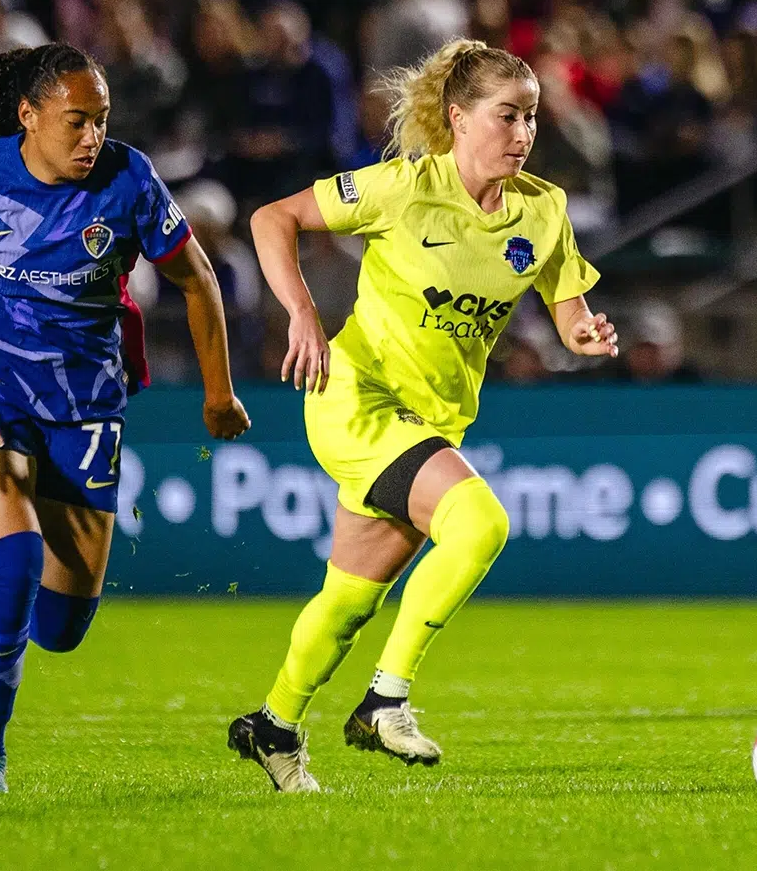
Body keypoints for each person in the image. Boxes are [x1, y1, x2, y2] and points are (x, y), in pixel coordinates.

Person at [228, 39, 618, 793]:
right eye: (506, 115)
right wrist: (302, 315)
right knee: (481, 522)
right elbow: (272, 218)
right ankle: (386, 699)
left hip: (430, 422)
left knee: (346, 601)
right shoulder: (403, 187)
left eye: (531, 117)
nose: (522, 132)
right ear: (458, 117)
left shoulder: (542, 210)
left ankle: (272, 725)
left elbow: (570, 313)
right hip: (356, 399)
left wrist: (583, 334)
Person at [0, 43, 249, 793]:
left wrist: (218, 393)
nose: (93, 137)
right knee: (16, 561)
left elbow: (198, 279)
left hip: (86, 408)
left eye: (102, 120)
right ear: (28, 115)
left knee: (58, 628)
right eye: (76, 121)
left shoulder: (128, 178)